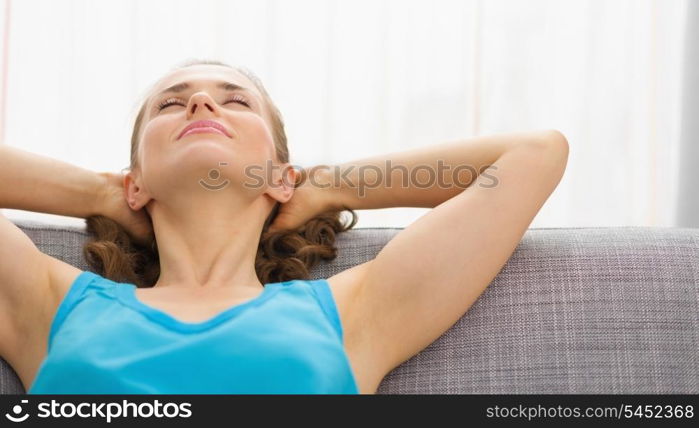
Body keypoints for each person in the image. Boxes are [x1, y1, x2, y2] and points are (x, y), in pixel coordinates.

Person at [0, 59, 569, 394]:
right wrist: (98, 192)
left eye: (235, 102)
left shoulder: (356, 313)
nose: (200, 101)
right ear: (137, 184)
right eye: (170, 105)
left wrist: (324, 185)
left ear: (278, 176)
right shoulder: (49, 304)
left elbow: (532, 156)